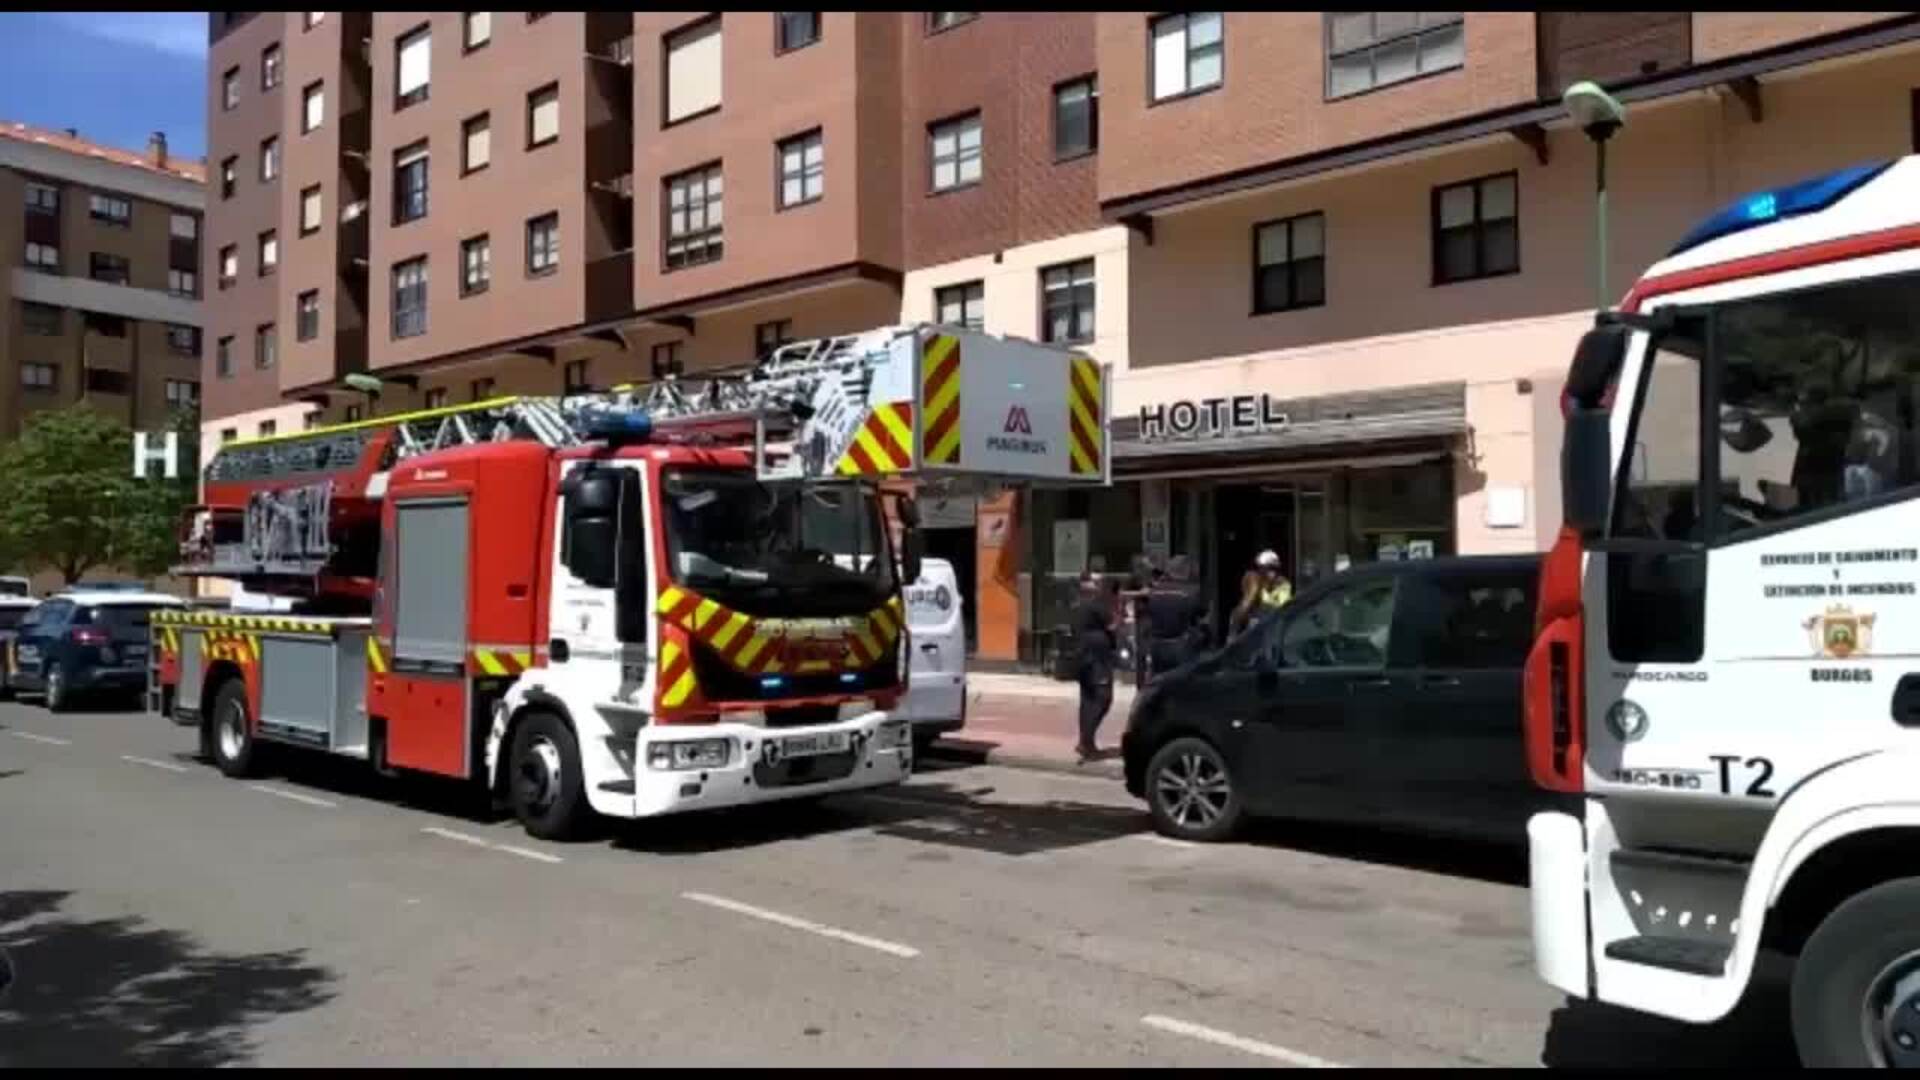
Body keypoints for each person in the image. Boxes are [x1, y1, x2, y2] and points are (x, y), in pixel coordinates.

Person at [1070, 571, 1118, 763]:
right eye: (1096, 581)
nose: (1100, 585)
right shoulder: (1095, 604)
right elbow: (1114, 624)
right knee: (1103, 698)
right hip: (1097, 659)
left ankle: (1087, 744)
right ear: (1088, 584)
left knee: (1087, 699)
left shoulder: (1077, 603)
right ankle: (1086, 741)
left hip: (1082, 657)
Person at [1144, 555, 1208, 678]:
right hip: (1181, 643)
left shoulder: (1156, 590)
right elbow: (1200, 612)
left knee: (1158, 680)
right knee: (1184, 681)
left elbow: (1149, 612)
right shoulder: (1190, 590)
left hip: (1157, 644)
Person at [1229, 549, 1292, 637]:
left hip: (1274, 626)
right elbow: (1246, 604)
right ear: (1261, 569)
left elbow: (1283, 607)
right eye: (1268, 568)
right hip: (1256, 628)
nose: (1271, 573)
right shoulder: (1255, 581)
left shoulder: (1283, 584)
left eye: (1274, 569)